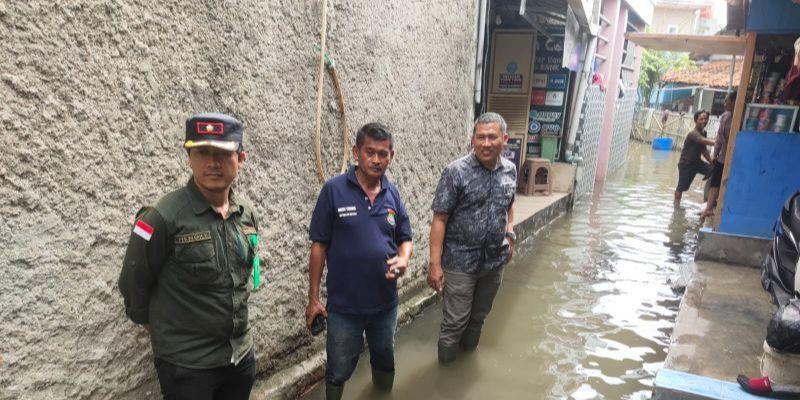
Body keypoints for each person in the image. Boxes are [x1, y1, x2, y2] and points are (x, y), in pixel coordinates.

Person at [119, 113, 260, 400]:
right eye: (202, 152)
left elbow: (245, 274)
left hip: (239, 354)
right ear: (189, 156)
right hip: (188, 366)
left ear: (240, 159)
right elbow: (133, 279)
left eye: (223, 153)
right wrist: (155, 325)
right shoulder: (162, 216)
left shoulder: (245, 213)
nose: (212, 162)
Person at [305, 123, 413, 400]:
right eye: (370, 152)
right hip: (344, 308)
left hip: (385, 304)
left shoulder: (393, 194)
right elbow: (319, 246)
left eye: (383, 154)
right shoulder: (333, 190)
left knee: (385, 359)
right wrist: (314, 298)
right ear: (356, 152)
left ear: (392, 155)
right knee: (338, 369)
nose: (376, 160)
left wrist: (403, 258)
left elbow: (405, 237)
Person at [427, 112, 517, 364]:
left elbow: (509, 206)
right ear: (472, 140)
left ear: (505, 139)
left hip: (493, 263)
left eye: (492, 137)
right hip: (460, 263)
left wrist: (510, 234)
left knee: (478, 318)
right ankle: (445, 374)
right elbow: (440, 219)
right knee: (455, 322)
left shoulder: (509, 171)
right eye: (480, 137)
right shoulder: (455, 172)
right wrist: (434, 263)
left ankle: (465, 367)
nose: (486, 143)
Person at [703, 91, 737, 218]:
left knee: (729, 183)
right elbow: (718, 139)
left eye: (726, 101)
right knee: (715, 182)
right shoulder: (725, 117)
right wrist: (715, 155)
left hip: (736, 157)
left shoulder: (742, 116)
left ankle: (724, 209)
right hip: (723, 156)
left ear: (734, 102)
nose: (724, 103)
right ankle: (708, 207)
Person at [674, 110, 715, 208]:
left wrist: (711, 162)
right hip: (686, 164)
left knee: (714, 171)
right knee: (681, 188)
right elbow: (703, 141)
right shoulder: (693, 133)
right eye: (701, 119)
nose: (704, 121)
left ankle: (707, 201)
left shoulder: (704, 132)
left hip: (697, 163)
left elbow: (704, 150)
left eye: (706, 119)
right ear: (696, 120)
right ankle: (676, 208)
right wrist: (719, 142)